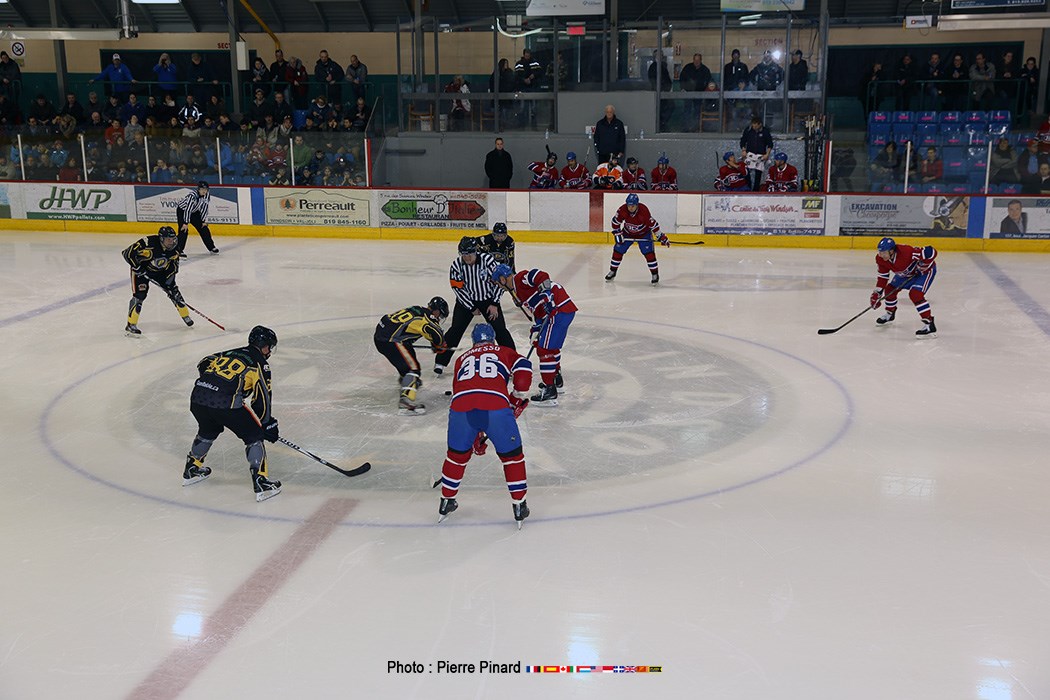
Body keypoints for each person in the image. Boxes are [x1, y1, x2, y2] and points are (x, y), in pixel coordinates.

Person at [437, 323, 533, 527]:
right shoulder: (504, 351)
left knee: (456, 457)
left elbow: (465, 392)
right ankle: (519, 505)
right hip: (495, 407)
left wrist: (475, 434)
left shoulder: (461, 359)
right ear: (493, 339)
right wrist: (517, 397)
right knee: (512, 457)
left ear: (473, 341)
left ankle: (446, 501)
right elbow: (524, 368)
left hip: (460, 409)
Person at [184, 326, 283, 502]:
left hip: (198, 398)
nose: (269, 352)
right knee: (254, 435)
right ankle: (261, 481)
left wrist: (214, 381)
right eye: (269, 347)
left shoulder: (230, 352)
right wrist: (267, 423)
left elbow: (204, 362)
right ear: (263, 346)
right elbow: (262, 399)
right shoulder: (261, 364)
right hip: (225, 403)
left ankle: (192, 468)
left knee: (208, 430)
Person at [492, 264, 577, 405]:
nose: (498, 286)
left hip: (558, 310)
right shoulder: (516, 292)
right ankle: (556, 379)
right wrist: (536, 329)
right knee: (550, 346)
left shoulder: (519, 279)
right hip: (561, 310)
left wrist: (547, 295)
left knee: (544, 349)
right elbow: (538, 310)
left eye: (497, 282)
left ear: (502, 279)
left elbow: (541, 275)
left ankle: (550, 389)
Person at [434, 237, 515, 376]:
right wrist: (471, 307)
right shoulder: (456, 265)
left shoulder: (488, 261)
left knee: (500, 330)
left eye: (469, 254)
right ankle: (440, 361)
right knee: (455, 330)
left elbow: (500, 282)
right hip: (466, 301)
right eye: (464, 254)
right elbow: (458, 289)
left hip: (488, 300)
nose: (467, 257)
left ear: (475, 252)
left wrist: (494, 303)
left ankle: (512, 363)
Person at [374, 297, 449, 416]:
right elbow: (436, 333)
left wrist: (435, 344)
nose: (439, 318)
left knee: (409, 355)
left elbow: (423, 330)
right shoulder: (429, 318)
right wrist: (439, 345)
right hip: (390, 340)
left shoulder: (418, 309)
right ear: (437, 311)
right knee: (413, 369)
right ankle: (405, 403)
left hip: (382, 334)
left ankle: (406, 380)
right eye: (440, 315)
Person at [121, 226, 193, 335]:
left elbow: (173, 267)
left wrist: (169, 281)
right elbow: (127, 253)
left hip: (161, 272)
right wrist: (137, 267)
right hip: (142, 272)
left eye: (173, 239)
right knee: (139, 296)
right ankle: (131, 324)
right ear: (161, 239)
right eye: (168, 239)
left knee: (174, 292)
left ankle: (186, 316)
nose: (171, 242)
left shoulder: (175, 248)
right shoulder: (148, 243)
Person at [870, 237, 938, 336]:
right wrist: (877, 293)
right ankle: (890, 313)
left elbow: (931, 252)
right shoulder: (880, 259)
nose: (881, 255)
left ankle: (929, 324)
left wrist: (923, 265)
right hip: (906, 274)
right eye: (880, 252)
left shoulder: (907, 252)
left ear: (892, 251)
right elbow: (883, 277)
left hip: (925, 273)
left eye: (884, 252)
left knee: (916, 294)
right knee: (890, 290)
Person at [605, 193, 667, 284]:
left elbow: (654, 225)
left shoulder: (643, 211)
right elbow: (615, 222)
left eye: (632, 206)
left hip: (644, 234)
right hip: (627, 233)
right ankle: (613, 271)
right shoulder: (622, 209)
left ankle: (654, 274)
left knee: (649, 253)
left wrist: (661, 236)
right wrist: (617, 234)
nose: (630, 208)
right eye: (628, 205)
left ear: (637, 205)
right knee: (618, 250)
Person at [177, 180, 219, 255]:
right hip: (183, 211)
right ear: (198, 189)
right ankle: (179, 250)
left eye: (206, 189)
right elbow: (188, 209)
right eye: (202, 189)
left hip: (195, 211)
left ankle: (211, 247)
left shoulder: (207, 195)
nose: (204, 191)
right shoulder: (192, 196)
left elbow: (204, 207)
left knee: (204, 228)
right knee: (184, 230)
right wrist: (185, 222)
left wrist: (203, 221)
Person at [679, 53, 712, 132]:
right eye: (695, 59)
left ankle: (696, 128)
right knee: (687, 111)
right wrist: (683, 88)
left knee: (697, 111)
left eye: (698, 60)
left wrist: (704, 92)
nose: (696, 61)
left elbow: (708, 82)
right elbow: (682, 79)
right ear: (693, 60)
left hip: (699, 94)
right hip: (688, 93)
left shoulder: (705, 70)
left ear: (701, 60)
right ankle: (685, 128)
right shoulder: (687, 68)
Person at [740, 115, 773, 190]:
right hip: (749, 154)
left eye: (755, 125)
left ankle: (756, 190)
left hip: (760, 155)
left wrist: (767, 154)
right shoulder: (748, 130)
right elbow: (743, 141)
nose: (754, 127)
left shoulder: (765, 131)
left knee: (758, 174)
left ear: (760, 124)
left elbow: (770, 144)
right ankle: (747, 188)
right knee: (746, 172)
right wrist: (743, 150)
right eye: (753, 125)